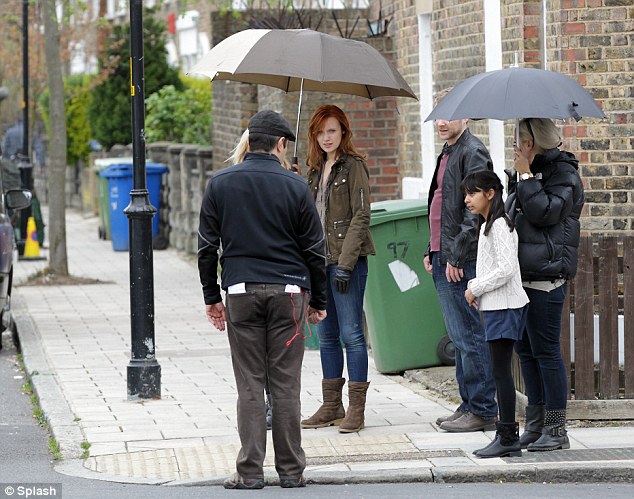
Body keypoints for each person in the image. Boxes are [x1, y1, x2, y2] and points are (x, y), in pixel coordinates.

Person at [198, 110, 327, 489]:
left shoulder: (220, 183)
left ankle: (250, 471)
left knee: (250, 385)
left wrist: (211, 296)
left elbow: (207, 248)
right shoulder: (295, 186)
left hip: (240, 292)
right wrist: (318, 300)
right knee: (285, 385)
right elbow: (315, 251)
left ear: (249, 140)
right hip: (289, 293)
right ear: (281, 144)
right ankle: (291, 471)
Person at [507, 118, 584, 452]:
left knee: (547, 352)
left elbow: (543, 212)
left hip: (547, 278)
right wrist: (518, 180)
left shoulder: (565, 175)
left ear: (532, 143)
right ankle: (536, 424)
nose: (514, 148)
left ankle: (557, 429)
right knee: (525, 351)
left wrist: (524, 176)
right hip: (522, 276)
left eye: (518, 141)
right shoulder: (526, 174)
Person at [424, 92, 498, 433]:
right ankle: (469, 403)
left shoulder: (473, 151)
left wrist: (456, 253)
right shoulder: (449, 151)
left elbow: (477, 209)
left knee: (469, 334)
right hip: (444, 254)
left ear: (466, 118)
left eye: (450, 114)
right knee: (458, 334)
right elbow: (441, 205)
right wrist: (432, 248)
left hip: (461, 258)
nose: (442, 121)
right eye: (438, 114)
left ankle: (483, 409)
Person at [300, 104, 375, 434]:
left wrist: (345, 264)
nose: (326, 137)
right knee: (326, 336)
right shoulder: (313, 171)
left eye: (331, 130)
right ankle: (332, 405)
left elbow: (361, 216)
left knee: (352, 334)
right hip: (318, 264)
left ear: (343, 131)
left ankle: (356, 409)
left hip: (347, 264)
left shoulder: (354, 166)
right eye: (320, 132)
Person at [461, 170, 529, 458]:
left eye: (473, 193)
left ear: (490, 193)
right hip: (497, 304)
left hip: (506, 307)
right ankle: (506, 436)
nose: (467, 199)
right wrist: (481, 293)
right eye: (466, 193)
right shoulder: (487, 224)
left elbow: (506, 269)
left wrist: (475, 287)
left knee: (501, 373)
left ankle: (507, 437)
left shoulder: (499, 224)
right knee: (500, 371)